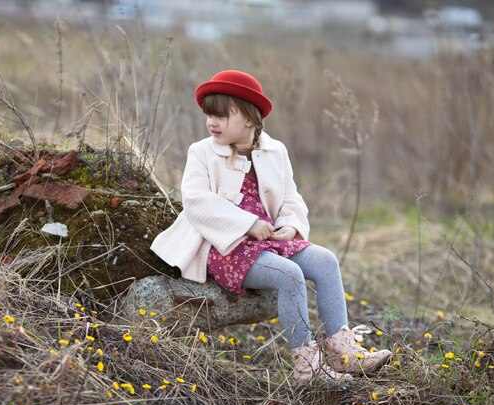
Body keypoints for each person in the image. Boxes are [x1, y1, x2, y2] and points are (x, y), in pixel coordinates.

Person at [151, 70, 391, 383]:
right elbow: (196, 201)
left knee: (326, 260)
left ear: (249, 118)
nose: (213, 122)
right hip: (225, 246)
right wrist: (247, 223)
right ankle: (308, 368)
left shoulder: (275, 151)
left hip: (269, 240)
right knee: (288, 275)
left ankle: (343, 351)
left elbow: (291, 196)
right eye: (210, 114)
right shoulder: (202, 152)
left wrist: (290, 225)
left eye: (222, 115)